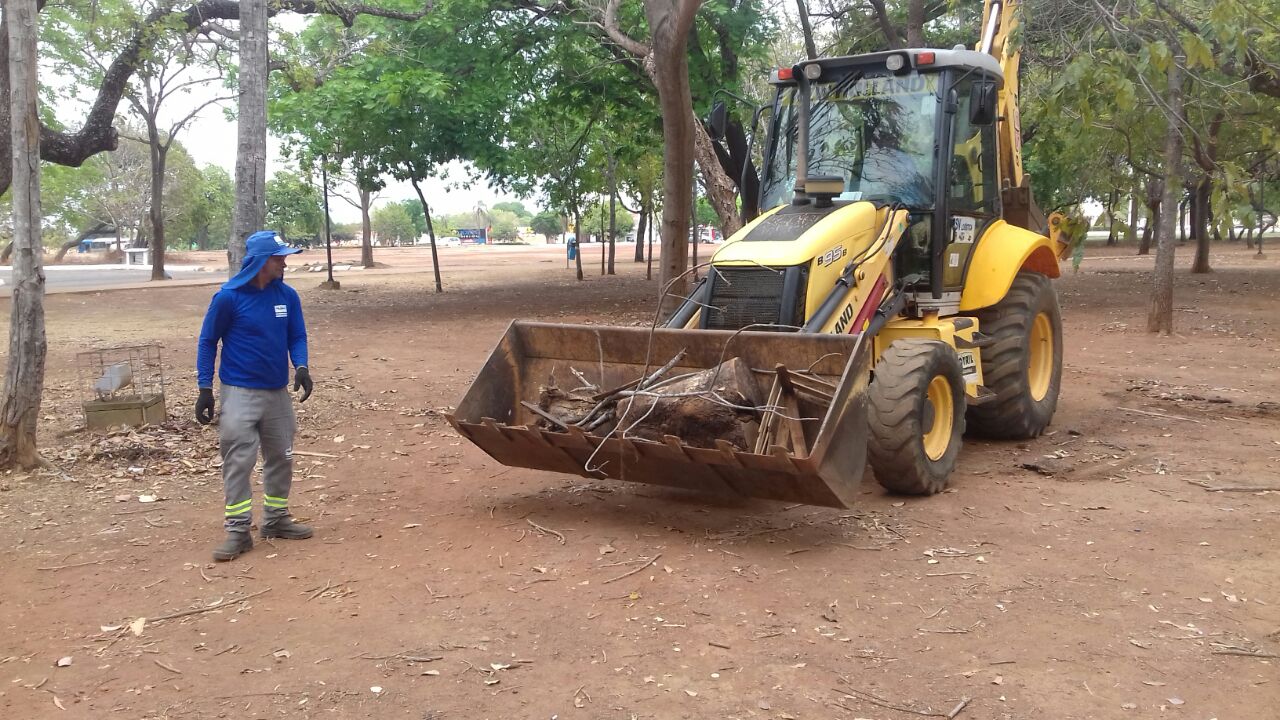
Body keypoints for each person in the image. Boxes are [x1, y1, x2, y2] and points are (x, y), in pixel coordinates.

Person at [195, 231, 315, 562]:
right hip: (239, 393)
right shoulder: (228, 298)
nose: (285, 262)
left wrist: (301, 366)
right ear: (262, 261)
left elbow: (297, 334)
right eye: (279, 258)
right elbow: (208, 342)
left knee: (282, 456)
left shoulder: (287, 296)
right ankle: (238, 531)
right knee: (239, 460)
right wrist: (205, 388)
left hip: (276, 393)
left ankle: (276, 520)